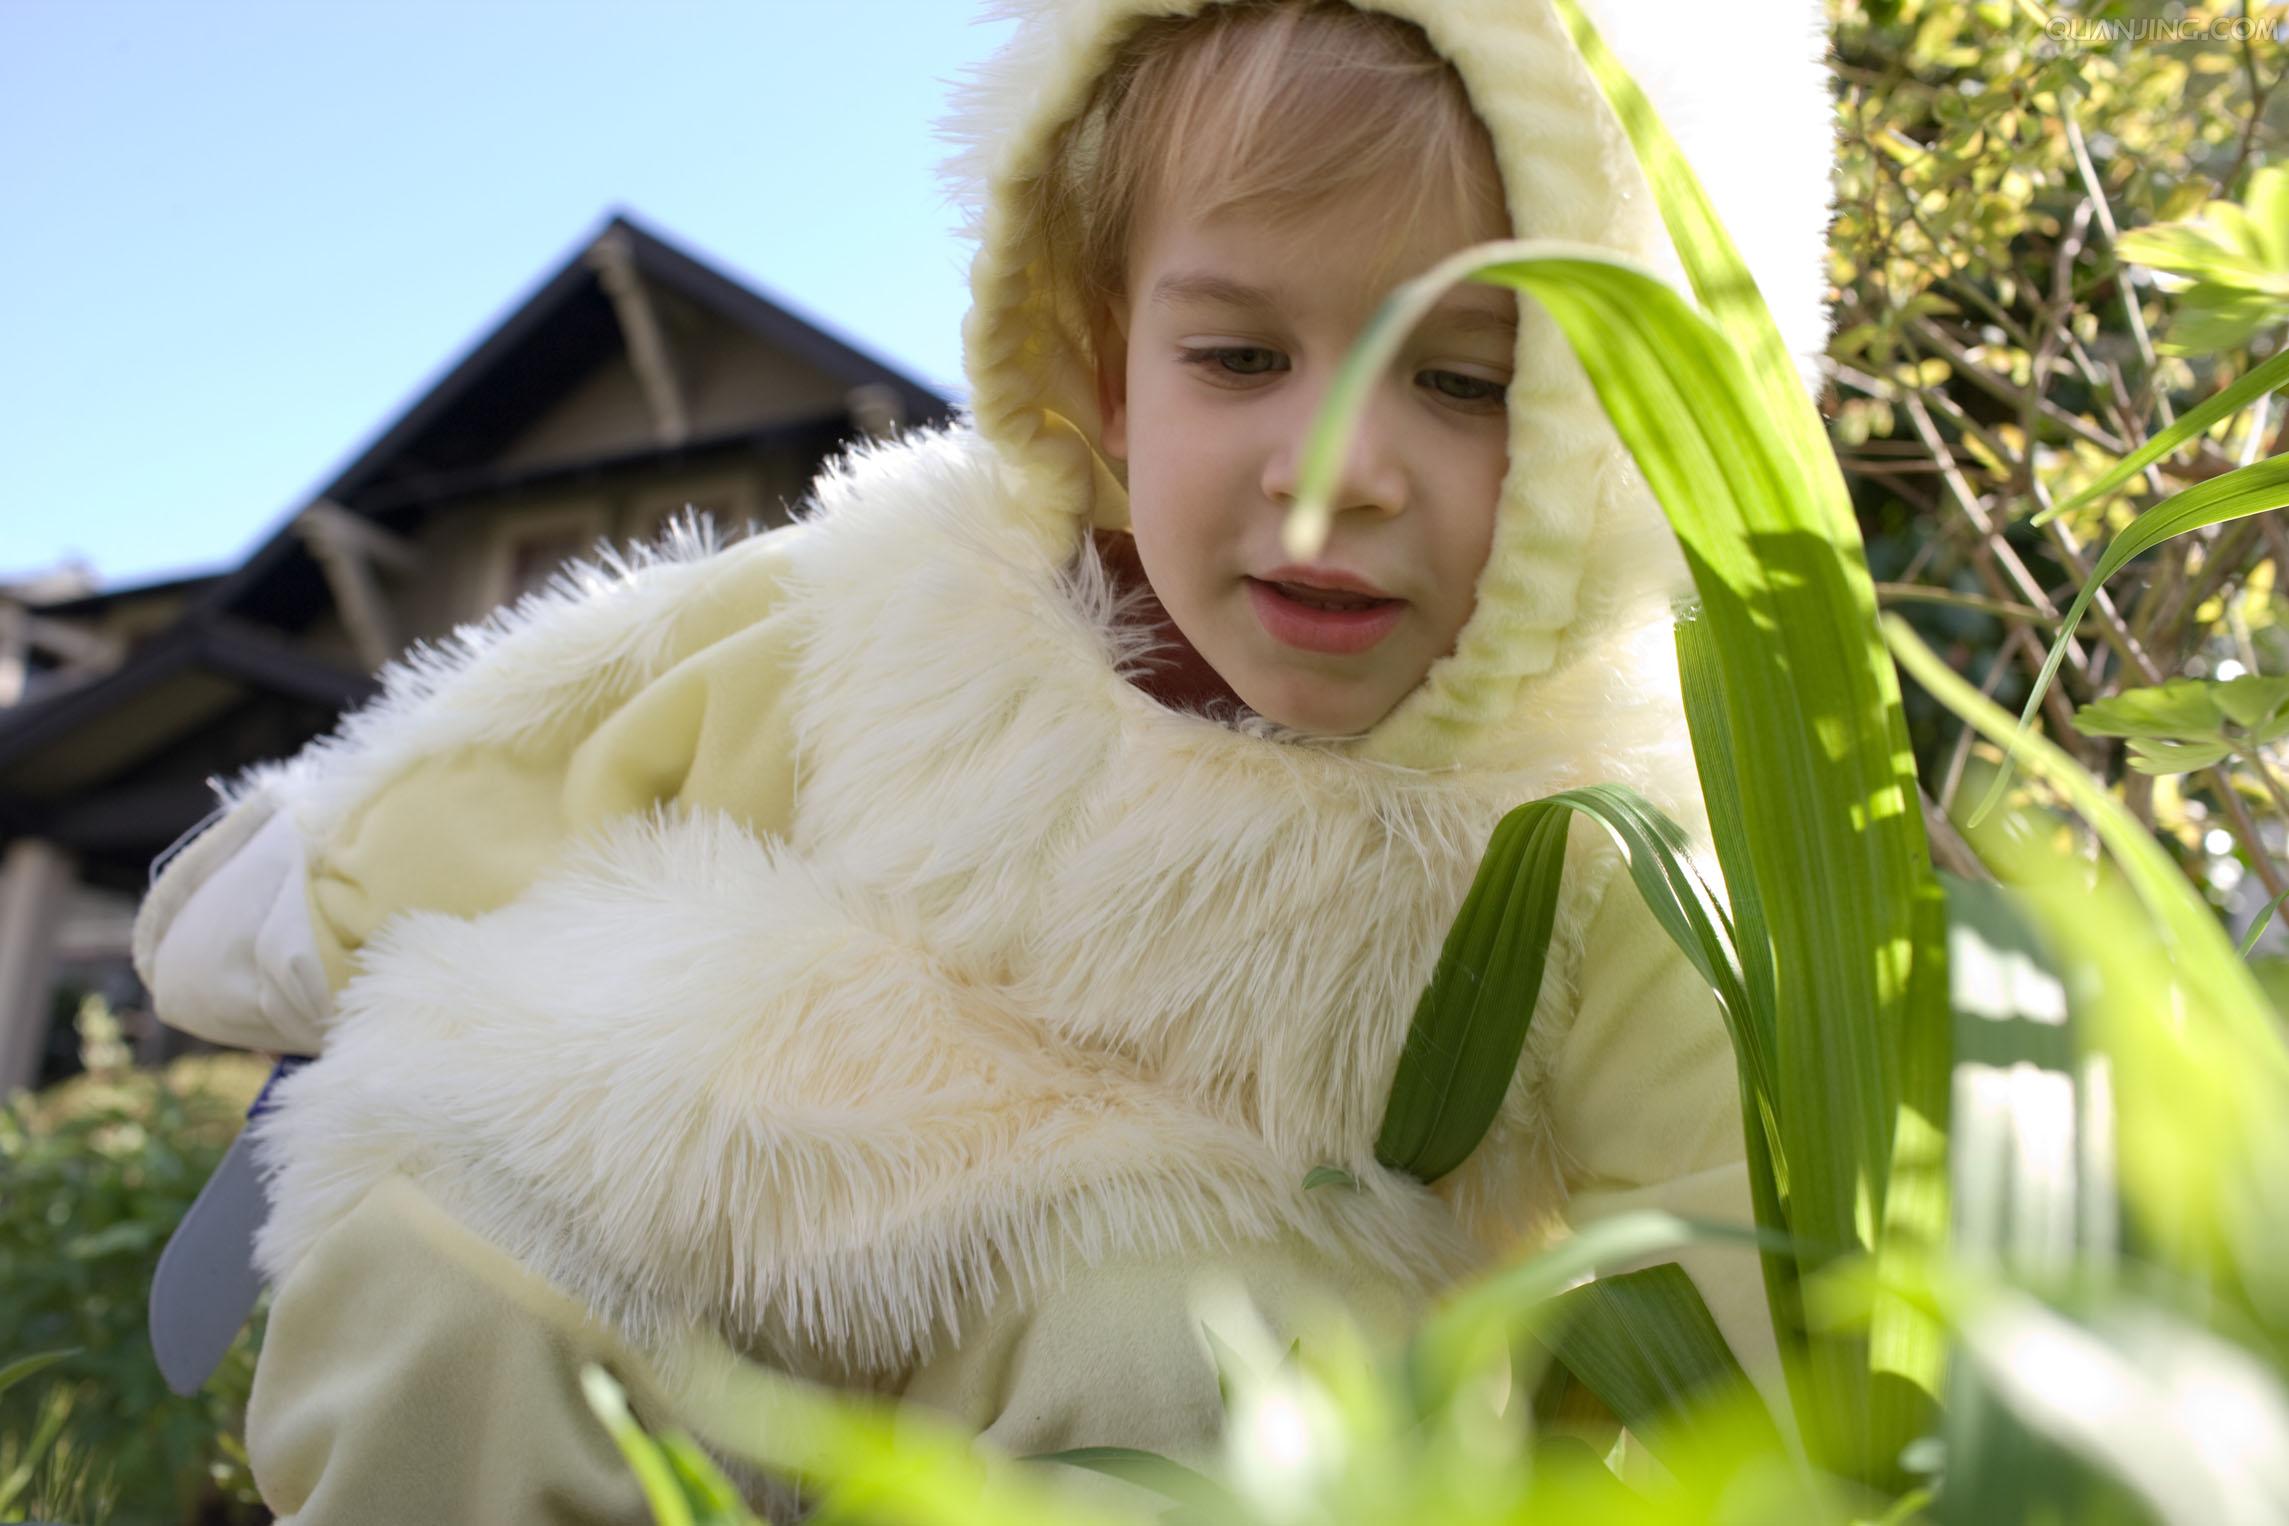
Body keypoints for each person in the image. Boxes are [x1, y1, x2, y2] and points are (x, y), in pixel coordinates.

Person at [133, 0, 1839, 1517]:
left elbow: (1741, 1233)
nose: (1336, 473)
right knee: (454, 1235)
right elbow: (577, 735)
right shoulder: (906, 599)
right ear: (1102, 375)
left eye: (1467, 382)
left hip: (1185, 1288)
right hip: (741, 1153)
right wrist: (317, 881)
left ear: (1606, 432)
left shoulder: (1595, 827)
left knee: (1192, 1376)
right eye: (1240, 357)